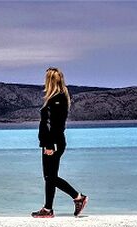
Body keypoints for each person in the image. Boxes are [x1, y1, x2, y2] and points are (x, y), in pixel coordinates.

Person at [32, 67, 88, 218]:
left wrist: (49, 145)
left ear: (50, 81)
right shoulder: (57, 97)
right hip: (51, 141)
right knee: (49, 177)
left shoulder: (57, 99)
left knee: (51, 177)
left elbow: (53, 124)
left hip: (53, 142)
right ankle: (48, 209)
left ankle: (78, 197)